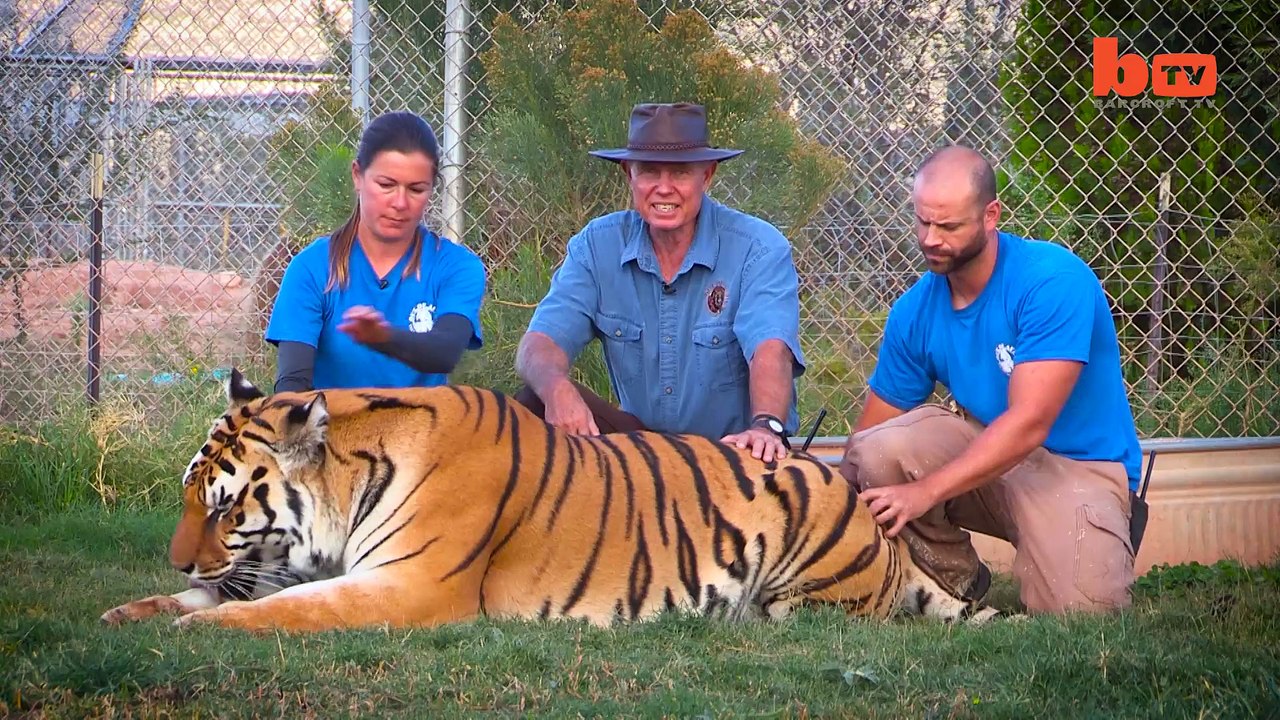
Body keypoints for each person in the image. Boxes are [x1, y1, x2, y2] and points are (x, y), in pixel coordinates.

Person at [838, 145, 1143, 614]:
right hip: (986, 457)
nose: (931, 239)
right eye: (923, 222)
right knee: (877, 450)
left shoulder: (1052, 280)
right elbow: (866, 435)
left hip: (1074, 469)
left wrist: (924, 492)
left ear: (990, 215)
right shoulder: (914, 311)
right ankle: (955, 580)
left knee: (1083, 615)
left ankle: (1097, 528)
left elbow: (1029, 423)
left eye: (949, 226)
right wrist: (816, 497)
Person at [514, 102, 805, 462]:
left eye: (681, 174)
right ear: (629, 174)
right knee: (532, 401)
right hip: (637, 452)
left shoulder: (757, 248)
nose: (664, 188)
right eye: (650, 172)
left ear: (707, 175)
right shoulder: (597, 245)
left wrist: (766, 427)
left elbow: (771, 349)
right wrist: (556, 388)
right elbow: (539, 344)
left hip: (731, 452)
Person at [267, 111, 486, 392]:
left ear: (432, 188)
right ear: (358, 175)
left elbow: (444, 353)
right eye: (386, 185)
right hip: (335, 427)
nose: (400, 202)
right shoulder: (312, 267)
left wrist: (383, 338)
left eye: (416, 189)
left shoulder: (457, 266)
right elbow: (292, 382)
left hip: (421, 431)